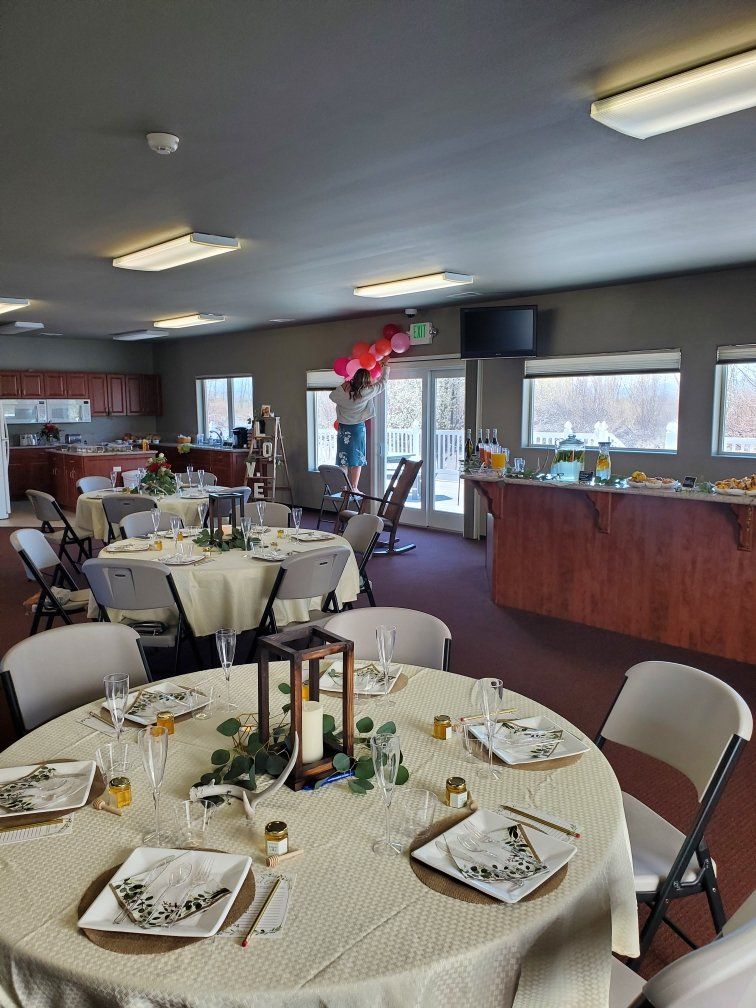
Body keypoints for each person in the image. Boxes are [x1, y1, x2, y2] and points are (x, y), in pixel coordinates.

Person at [329, 365, 389, 487]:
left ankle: (344, 487)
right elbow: (383, 383)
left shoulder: (343, 393)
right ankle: (354, 488)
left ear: (354, 378)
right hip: (357, 429)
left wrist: (343, 386)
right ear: (366, 380)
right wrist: (385, 368)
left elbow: (331, 396)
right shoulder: (366, 392)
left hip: (343, 429)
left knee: (343, 459)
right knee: (357, 459)